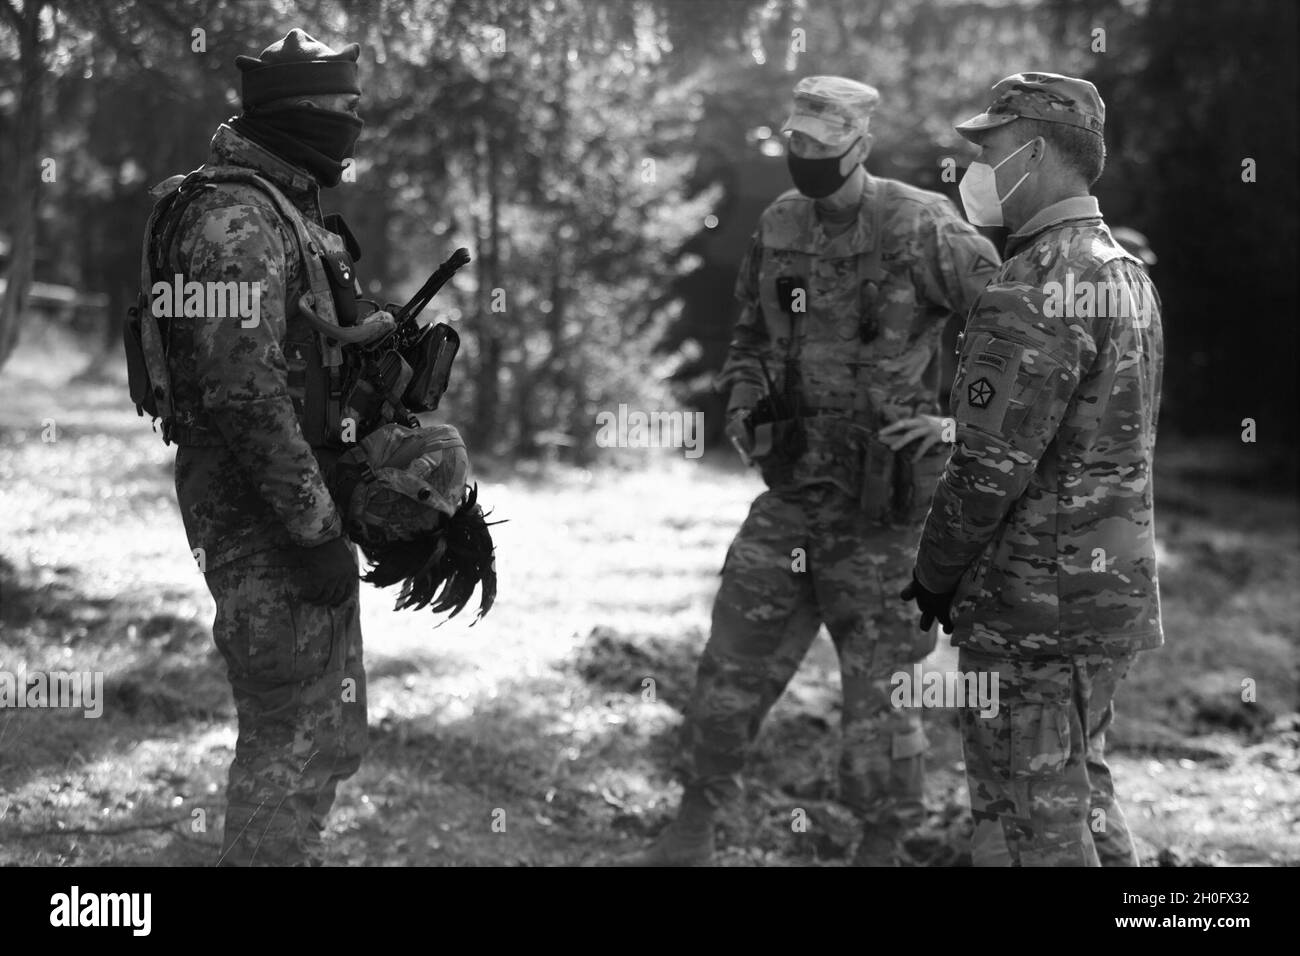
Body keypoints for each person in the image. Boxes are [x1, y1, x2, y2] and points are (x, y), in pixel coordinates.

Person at [628, 76, 1000, 866]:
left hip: (885, 513)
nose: (805, 160)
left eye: (823, 150)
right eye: (796, 145)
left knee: (881, 695)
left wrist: (954, 423)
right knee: (731, 659)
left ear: (861, 148)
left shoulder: (921, 225)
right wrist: (743, 402)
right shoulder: (780, 223)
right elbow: (747, 340)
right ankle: (693, 827)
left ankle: (880, 844)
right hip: (794, 496)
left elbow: (1013, 325)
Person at [901, 72, 1164, 866]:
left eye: (988, 147)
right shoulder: (1126, 273)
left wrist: (935, 575)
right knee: (1080, 794)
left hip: (1031, 607)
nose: (972, 168)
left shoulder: (1034, 284)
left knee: (1029, 820)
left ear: (1038, 152)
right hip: (1106, 595)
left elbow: (987, 467)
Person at [140, 29, 374, 865]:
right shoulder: (234, 218)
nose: (356, 125)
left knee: (325, 729)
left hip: (292, 496)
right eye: (345, 110)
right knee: (289, 730)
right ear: (303, 112)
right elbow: (244, 398)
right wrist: (314, 531)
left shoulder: (282, 206)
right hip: (260, 510)